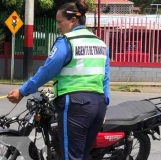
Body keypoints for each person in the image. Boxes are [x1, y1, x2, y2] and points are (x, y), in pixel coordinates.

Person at [7, 0, 110, 159]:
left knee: (70, 156)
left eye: (60, 21)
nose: (57, 26)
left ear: (73, 20)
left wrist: (22, 91)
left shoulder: (67, 41)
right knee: (83, 155)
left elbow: (47, 71)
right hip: (98, 106)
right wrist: (106, 103)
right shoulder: (100, 43)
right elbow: (106, 78)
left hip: (75, 105)